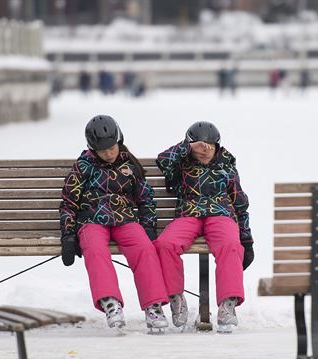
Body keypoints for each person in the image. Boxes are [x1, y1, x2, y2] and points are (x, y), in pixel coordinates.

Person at [59, 115, 169, 333]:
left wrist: (148, 225)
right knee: (95, 250)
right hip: (92, 220)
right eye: (102, 150)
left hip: (125, 219)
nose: (109, 153)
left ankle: (153, 306)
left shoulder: (130, 166)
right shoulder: (83, 167)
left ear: (119, 141)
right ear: (92, 148)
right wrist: (68, 235)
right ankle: (111, 302)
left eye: (111, 148)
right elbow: (69, 202)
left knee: (145, 249)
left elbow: (145, 198)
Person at [154, 122, 254, 333]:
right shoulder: (182, 163)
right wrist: (188, 146)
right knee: (165, 244)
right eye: (200, 145)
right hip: (188, 214)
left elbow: (240, 203)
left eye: (210, 144)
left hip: (220, 214)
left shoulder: (227, 166)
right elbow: (162, 160)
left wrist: (247, 239)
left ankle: (227, 305)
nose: (205, 149)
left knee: (230, 244)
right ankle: (175, 297)